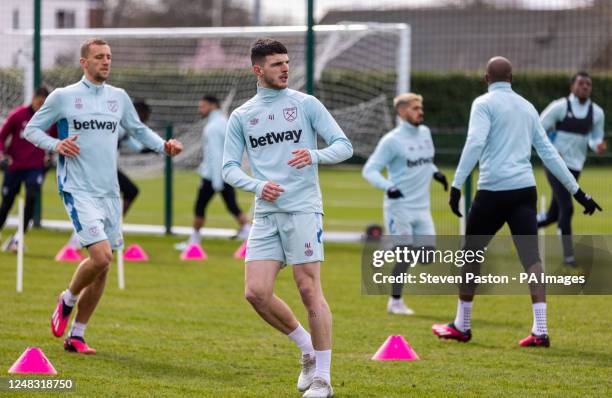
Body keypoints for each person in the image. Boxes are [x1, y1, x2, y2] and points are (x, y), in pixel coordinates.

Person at [24, 38, 183, 354]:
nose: (106, 62)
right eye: (99, 57)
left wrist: (163, 146)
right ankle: (67, 298)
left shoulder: (118, 98)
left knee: (104, 267)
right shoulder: (63, 97)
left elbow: (138, 130)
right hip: (78, 189)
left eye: (109, 57)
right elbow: (32, 130)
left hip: (110, 191)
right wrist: (56, 145)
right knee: (101, 256)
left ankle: (77, 335)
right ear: (84, 62)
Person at [432, 57, 601, 348]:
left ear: (486, 78)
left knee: (471, 254)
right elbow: (549, 153)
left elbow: (474, 143)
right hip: (525, 190)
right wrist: (578, 192)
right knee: (531, 258)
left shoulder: (483, 104)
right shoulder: (527, 107)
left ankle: (462, 324)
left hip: (492, 190)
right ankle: (541, 330)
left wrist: (457, 184)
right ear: (512, 78)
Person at [222, 38, 352, 398]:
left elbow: (344, 145)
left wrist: (313, 155)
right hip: (266, 213)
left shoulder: (306, 104)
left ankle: (323, 379)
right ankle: (307, 348)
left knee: (309, 288)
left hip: (303, 209)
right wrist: (257, 186)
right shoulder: (242, 115)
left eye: (287, 62)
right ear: (257, 70)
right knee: (256, 292)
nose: (285, 68)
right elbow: (229, 168)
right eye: (277, 63)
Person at [362, 93, 447, 316]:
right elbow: (369, 170)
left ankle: (393, 245)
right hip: (399, 208)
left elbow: (425, 161)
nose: (420, 111)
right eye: (414, 108)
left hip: (422, 207)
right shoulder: (392, 141)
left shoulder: (426, 133)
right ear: (401, 112)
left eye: (421, 107)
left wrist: (436, 173)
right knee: (406, 255)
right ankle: (395, 302)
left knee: (427, 256)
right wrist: (388, 186)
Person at [537, 71, 607, 267]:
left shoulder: (597, 113)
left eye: (588, 84)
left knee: (553, 215)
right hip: (554, 165)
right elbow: (538, 129)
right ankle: (569, 258)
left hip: (576, 166)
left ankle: (523, 226)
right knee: (567, 208)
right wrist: (552, 150)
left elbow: (594, 138)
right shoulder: (559, 107)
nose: (585, 86)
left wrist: (597, 145)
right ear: (572, 87)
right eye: (581, 83)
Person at [176, 95, 250, 251]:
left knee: (200, 207)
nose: (199, 109)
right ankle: (248, 232)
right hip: (226, 172)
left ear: (212, 106)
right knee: (232, 206)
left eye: (202, 106)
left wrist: (217, 181)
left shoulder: (213, 127)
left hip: (214, 175)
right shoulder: (223, 122)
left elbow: (216, 155)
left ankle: (194, 242)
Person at [0, 87, 56, 251]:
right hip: (15, 166)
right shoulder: (17, 115)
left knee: (32, 196)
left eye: (44, 104)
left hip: (35, 167)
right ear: (33, 98)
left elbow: (54, 139)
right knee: (7, 202)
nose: (40, 106)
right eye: (39, 102)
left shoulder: (50, 119)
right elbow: (2, 137)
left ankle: (18, 238)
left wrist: (50, 155)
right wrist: (3, 155)